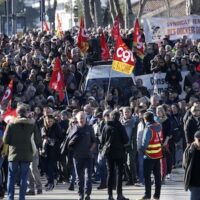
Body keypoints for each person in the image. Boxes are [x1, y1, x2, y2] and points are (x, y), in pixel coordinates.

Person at [3, 104, 41, 200]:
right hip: (27, 154)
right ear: (26, 113)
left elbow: (5, 140)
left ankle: (10, 197)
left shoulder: (11, 124)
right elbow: (37, 139)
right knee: (24, 177)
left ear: (17, 113)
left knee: (11, 177)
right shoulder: (32, 124)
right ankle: (21, 198)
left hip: (13, 154)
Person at [67, 111, 96, 200]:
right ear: (77, 119)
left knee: (88, 177)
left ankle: (87, 194)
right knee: (79, 177)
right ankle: (81, 194)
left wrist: (90, 150)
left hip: (88, 156)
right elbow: (68, 141)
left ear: (86, 119)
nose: (82, 120)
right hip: (77, 156)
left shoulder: (89, 128)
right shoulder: (74, 128)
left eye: (83, 118)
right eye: (80, 118)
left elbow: (94, 141)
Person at [101, 110, 129, 200]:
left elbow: (102, 141)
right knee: (119, 173)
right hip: (119, 153)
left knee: (110, 173)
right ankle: (119, 194)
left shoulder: (106, 126)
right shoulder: (120, 126)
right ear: (118, 117)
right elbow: (126, 140)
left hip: (109, 153)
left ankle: (110, 195)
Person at [139, 112, 163, 200]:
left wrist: (140, 150)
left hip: (149, 155)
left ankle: (147, 195)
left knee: (147, 176)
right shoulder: (159, 126)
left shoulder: (148, 129)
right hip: (158, 154)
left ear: (145, 119)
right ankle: (157, 195)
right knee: (157, 176)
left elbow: (145, 143)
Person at [183, 130, 200, 200]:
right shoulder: (189, 150)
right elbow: (185, 166)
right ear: (195, 139)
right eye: (199, 140)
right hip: (194, 183)